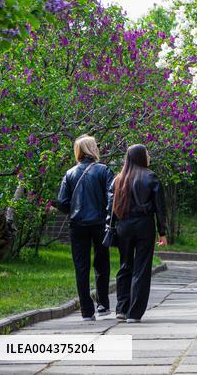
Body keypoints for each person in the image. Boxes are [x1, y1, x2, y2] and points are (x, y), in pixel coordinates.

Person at [107, 144, 168, 323]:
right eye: (147, 154)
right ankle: (134, 313)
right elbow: (160, 207)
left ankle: (121, 308)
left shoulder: (119, 178)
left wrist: (111, 226)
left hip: (123, 225)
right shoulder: (151, 177)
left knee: (125, 265)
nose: (149, 157)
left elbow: (110, 206)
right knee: (141, 268)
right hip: (144, 225)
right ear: (141, 157)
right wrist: (162, 232)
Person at [56, 135, 114, 321]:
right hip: (99, 224)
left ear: (78, 151)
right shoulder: (104, 171)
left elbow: (62, 202)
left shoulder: (70, 173)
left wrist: (74, 211)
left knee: (81, 267)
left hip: (78, 225)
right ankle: (103, 305)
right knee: (102, 264)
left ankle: (86, 311)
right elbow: (111, 198)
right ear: (93, 149)